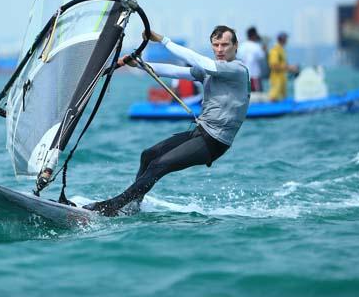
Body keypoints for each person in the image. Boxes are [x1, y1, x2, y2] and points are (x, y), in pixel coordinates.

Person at [84, 25, 250, 216]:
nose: (220, 50)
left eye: (225, 45)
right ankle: (133, 205)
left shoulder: (237, 69)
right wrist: (138, 64)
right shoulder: (209, 70)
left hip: (215, 141)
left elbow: (200, 61)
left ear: (235, 46)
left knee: (158, 166)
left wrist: (163, 40)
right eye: (216, 45)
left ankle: (111, 207)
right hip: (201, 132)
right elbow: (175, 71)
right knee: (148, 155)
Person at [268, 32, 299, 101]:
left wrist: (291, 68)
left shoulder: (282, 50)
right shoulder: (275, 50)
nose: (287, 40)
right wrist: (290, 67)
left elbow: (282, 64)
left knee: (283, 97)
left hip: (282, 78)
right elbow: (273, 65)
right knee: (274, 97)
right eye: (285, 38)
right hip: (276, 78)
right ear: (282, 39)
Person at [237, 26, 266, 92]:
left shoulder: (242, 46)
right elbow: (262, 57)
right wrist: (264, 49)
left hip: (244, 75)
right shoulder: (256, 46)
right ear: (254, 35)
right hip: (255, 75)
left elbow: (239, 58)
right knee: (257, 95)